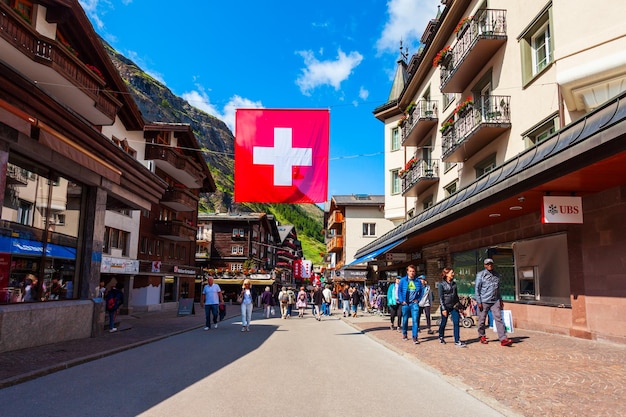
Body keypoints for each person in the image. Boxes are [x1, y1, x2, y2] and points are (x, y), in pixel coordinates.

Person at [475, 258, 513, 346]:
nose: (489, 265)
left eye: (491, 264)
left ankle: (503, 338)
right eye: (487, 264)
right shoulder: (481, 275)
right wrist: (479, 301)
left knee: (498, 318)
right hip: (484, 300)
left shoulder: (496, 275)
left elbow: (498, 288)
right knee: (482, 320)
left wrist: (500, 299)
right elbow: (477, 289)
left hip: (495, 300)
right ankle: (482, 336)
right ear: (484, 265)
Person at [437, 268, 466, 347]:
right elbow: (440, 297)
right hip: (445, 306)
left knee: (456, 322)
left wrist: (460, 307)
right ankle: (441, 336)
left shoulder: (454, 284)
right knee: (444, 322)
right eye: (451, 272)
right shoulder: (441, 284)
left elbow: (456, 296)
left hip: (454, 306)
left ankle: (457, 340)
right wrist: (443, 308)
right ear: (446, 274)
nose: (453, 274)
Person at [397, 265, 423, 344]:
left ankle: (415, 337)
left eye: (413, 271)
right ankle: (404, 333)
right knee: (405, 320)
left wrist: (418, 299)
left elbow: (422, 291)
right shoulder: (403, 280)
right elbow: (399, 291)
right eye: (410, 271)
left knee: (415, 320)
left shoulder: (417, 281)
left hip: (414, 304)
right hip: (406, 303)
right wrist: (402, 301)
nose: (412, 273)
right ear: (407, 272)